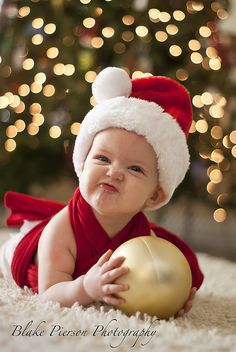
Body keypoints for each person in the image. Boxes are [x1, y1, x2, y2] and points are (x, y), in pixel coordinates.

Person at [0, 67, 203, 316]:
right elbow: (49, 293)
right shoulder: (62, 229)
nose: (114, 172)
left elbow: (150, 280)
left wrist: (171, 295)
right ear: (82, 164)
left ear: (155, 196)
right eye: (103, 159)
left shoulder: (142, 237)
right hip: (35, 257)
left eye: (135, 169)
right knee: (8, 254)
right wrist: (85, 287)